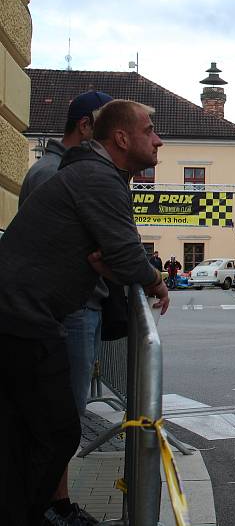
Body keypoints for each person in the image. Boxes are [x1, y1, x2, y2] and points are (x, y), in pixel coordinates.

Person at [0, 99, 169, 526]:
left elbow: (112, 253)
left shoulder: (90, 174)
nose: (158, 139)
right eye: (150, 130)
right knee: (57, 431)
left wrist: (118, 263)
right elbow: (127, 255)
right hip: (24, 318)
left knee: (28, 431)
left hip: (23, 316)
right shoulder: (98, 178)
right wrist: (154, 278)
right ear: (122, 137)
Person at [14, 90, 114, 526]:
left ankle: (55, 501)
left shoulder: (59, 170)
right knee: (61, 418)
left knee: (64, 415)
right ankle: (52, 505)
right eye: (105, 126)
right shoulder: (53, 172)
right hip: (66, 310)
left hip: (73, 307)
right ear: (86, 126)